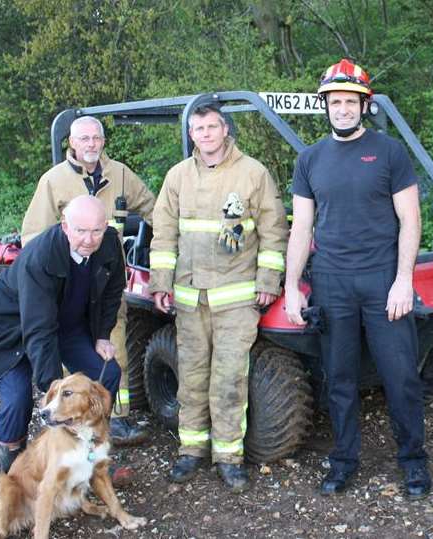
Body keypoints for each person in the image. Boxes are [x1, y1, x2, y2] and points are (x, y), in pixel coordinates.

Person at [284, 58, 431, 500]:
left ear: (363, 105)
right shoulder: (309, 159)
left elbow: (411, 219)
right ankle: (344, 460)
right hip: (331, 283)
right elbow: (301, 228)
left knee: (400, 374)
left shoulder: (389, 152)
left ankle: (413, 462)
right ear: (324, 105)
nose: (343, 108)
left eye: (351, 101)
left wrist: (404, 279)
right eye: (335, 101)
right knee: (340, 378)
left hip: (382, 278)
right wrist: (292, 285)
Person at [149, 103, 288, 492]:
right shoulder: (177, 177)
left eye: (212, 127)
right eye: (198, 128)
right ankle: (191, 451)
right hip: (190, 300)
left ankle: (229, 457)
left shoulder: (253, 173)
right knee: (191, 379)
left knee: (229, 379)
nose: (206, 134)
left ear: (225, 130)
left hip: (236, 300)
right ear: (191, 134)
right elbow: (163, 235)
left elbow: (274, 231)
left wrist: (268, 281)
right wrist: (161, 283)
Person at [21, 115, 156, 446]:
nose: (91, 144)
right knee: (73, 363)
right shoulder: (54, 181)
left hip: (108, 285)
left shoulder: (120, 174)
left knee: (115, 352)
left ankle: (114, 419)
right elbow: (33, 238)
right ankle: (72, 424)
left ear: (103, 142)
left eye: (96, 138)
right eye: (84, 139)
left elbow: (154, 208)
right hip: (70, 290)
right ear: (72, 142)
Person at [0, 195, 125, 474]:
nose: (89, 240)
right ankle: (16, 472)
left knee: (108, 373)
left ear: (105, 227)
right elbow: (38, 329)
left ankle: (91, 451)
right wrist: (55, 392)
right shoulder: (39, 257)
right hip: (7, 330)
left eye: (96, 231)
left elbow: (114, 291)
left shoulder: (111, 244)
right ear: (65, 226)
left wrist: (102, 335)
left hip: (65, 324)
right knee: (18, 398)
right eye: (81, 231)